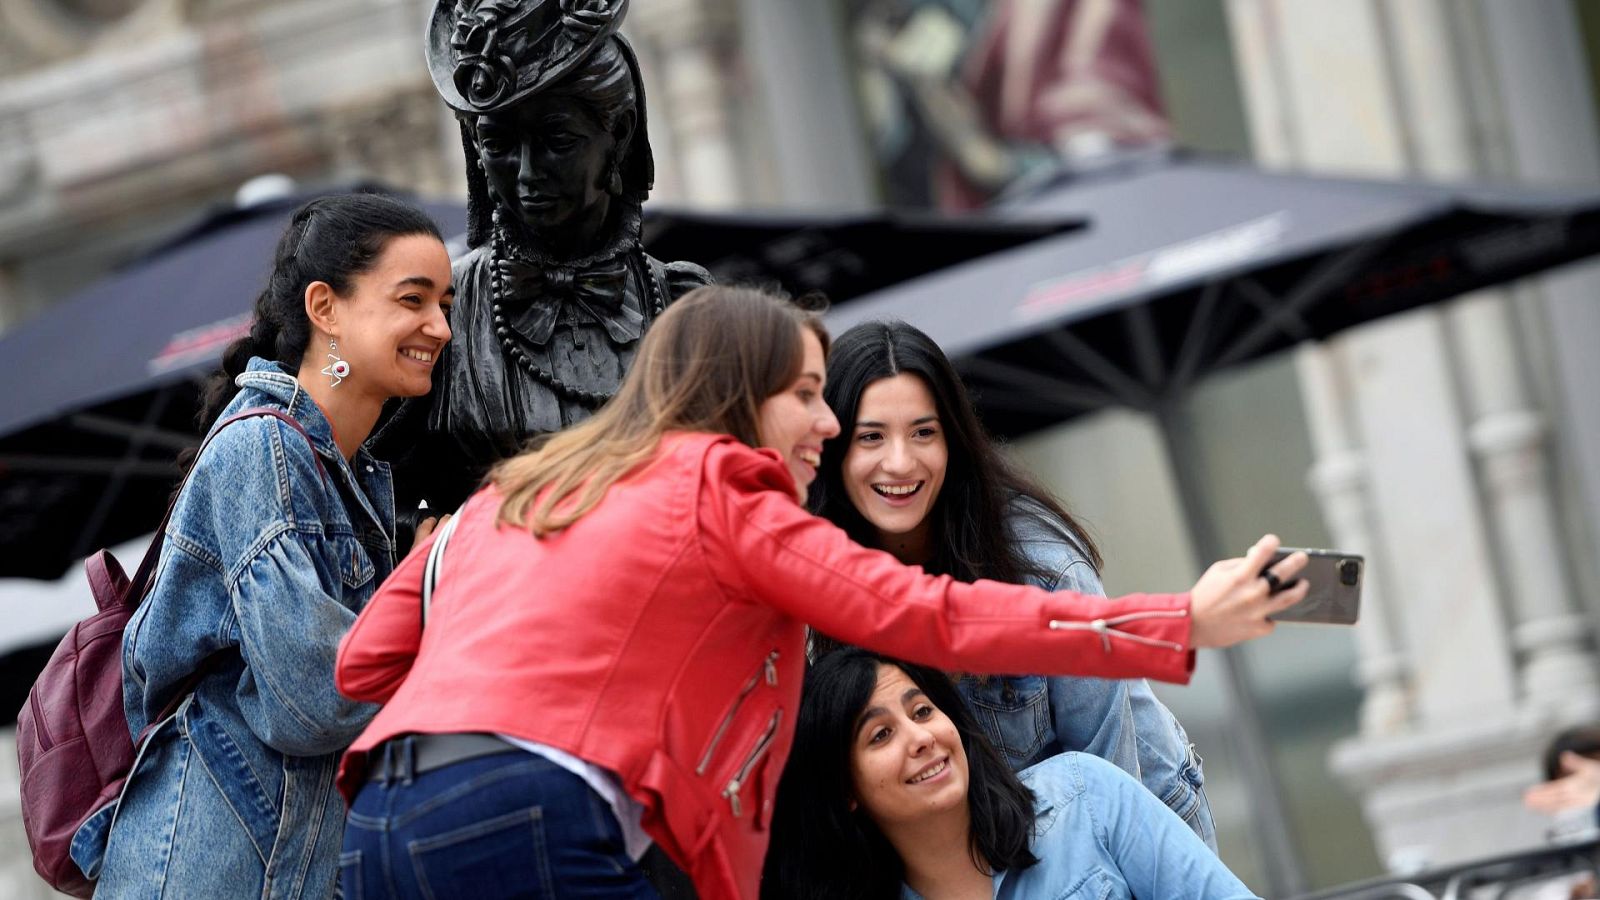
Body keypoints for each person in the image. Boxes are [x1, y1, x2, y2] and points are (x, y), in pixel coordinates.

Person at [333, 285, 1308, 900]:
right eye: (805, 393)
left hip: (381, 829)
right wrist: (1180, 620)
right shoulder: (719, 483)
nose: (829, 423)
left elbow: (362, 662)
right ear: (736, 395)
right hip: (534, 814)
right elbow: (929, 615)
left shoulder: (522, 492)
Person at [70, 192, 455, 899]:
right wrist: (426, 599)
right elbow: (312, 702)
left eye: (446, 303)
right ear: (325, 307)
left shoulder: (347, 471)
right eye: (413, 299)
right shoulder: (264, 450)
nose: (440, 326)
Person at [809, 319, 1216, 846]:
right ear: (833, 446)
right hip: (979, 850)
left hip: (1137, 813)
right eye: (871, 437)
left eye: (924, 432)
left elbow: (1111, 790)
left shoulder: (1042, 568)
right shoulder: (810, 580)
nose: (901, 462)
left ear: (953, 439)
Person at [377, 0, 711, 513]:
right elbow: (374, 505)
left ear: (619, 135)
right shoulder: (439, 317)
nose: (528, 174)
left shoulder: (686, 307)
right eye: (499, 144)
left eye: (557, 140)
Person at [762, 649, 1257, 900]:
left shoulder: (1085, 796)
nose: (920, 738)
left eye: (922, 711)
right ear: (845, 789)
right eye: (880, 735)